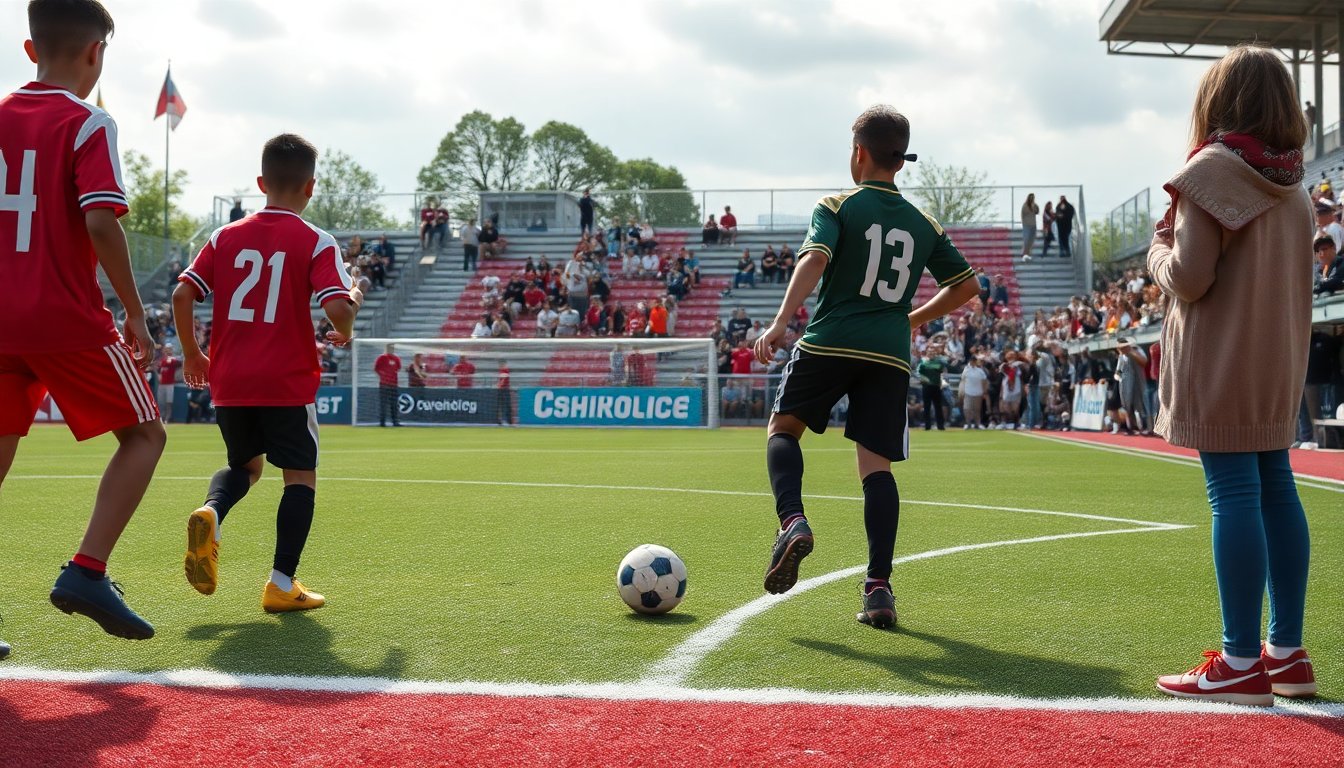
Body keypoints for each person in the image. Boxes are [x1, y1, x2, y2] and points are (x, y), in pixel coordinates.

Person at [752, 105, 978, 629]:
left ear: (858, 153)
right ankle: (879, 588)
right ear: (901, 160)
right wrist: (911, 318)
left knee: (783, 429)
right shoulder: (923, 223)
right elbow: (967, 285)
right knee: (876, 468)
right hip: (888, 355)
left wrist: (781, 321)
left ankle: (793, 521)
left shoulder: (837, 204)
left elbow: (814, 259)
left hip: (830, 340)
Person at [1149, 45, 1315, 705]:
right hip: (1276, 360)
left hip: (1221, 357)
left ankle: (1242, 659)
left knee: (1234, 497)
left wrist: (1157, 254)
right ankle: (1286, 651)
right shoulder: (1295, 183)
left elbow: (1190, 276)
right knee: (1277, 489)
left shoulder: (1213, 170)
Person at [0, 0, 167, 650]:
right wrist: (132, 310)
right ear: (97, 54)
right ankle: (87, 571)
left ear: (28, 48)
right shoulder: (88, 122)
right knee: (146, 435)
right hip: (61, 317)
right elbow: (101, 220)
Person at [173, 132, 362, 613]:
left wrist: (194, 354)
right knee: (299, 476)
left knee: (246, 468)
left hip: (231, 379)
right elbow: (338, 310)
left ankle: (212, 511)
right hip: (286, 379)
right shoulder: (316, 240)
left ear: (261, 182)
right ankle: (281, 583)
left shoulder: (224, 236)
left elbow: (182, 294)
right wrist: (354, 303)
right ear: (311, 188)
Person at [915, 347, 948, 430]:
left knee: (938, 407)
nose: (931, 354)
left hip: (936, 386)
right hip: (926, 387)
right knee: (927, 407)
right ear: (927, 354)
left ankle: (940, 426)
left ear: (935, 354)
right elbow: (919, 373)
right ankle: (927, 426)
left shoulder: (939, 362)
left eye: (933, 353)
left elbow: (943, 368)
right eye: (930, 353)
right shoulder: (923, 363)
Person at [374, 343, 402, 427]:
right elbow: (376, 368)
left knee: (394, 404)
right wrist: (382, 376)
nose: (391, 349)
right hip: (384, 384)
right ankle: (382, 422)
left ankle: (395, 422)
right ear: (386, 348)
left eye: (392, 348)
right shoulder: (382, 357)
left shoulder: (396, 358)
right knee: (383, 404)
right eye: (390, 347)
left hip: (394, 384)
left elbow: (398, 368)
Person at [959, 357, 987, 428]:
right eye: (972, 361)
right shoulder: (966, 370)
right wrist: (961, 391)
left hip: (978, 393)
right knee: (967, 408)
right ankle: (968, 424)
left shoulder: (980, 371)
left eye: (974, 361)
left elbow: (984, 381)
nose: (973, 362)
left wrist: (984, 392)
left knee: (977, 410)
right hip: (968, 392)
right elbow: (963, 381)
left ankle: (977, 424)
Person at [158, 346, 181, 422]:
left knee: (169, 402)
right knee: (161, 402)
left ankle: (167, 417)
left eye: (169, 350)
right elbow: (159, 369)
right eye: (166, 350)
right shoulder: (162, 360)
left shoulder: (173, 359)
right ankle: (162, 416)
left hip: (169, 384)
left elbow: (179, 363)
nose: (167, 351)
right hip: (161, 384)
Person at [1020, 193, 1039, 262]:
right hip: (1027, 225)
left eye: (1033, 197)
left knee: (1031, 240)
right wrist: (1024, 223)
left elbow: (1037, 212)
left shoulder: (1034, 205)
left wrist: (1035, 206)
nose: (1032, 199)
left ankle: (1028, 253)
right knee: (1026, 239)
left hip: (1033, 225)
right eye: (1031, 197)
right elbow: (1023, 214)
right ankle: (1024, 253)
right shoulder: (1025, 205)